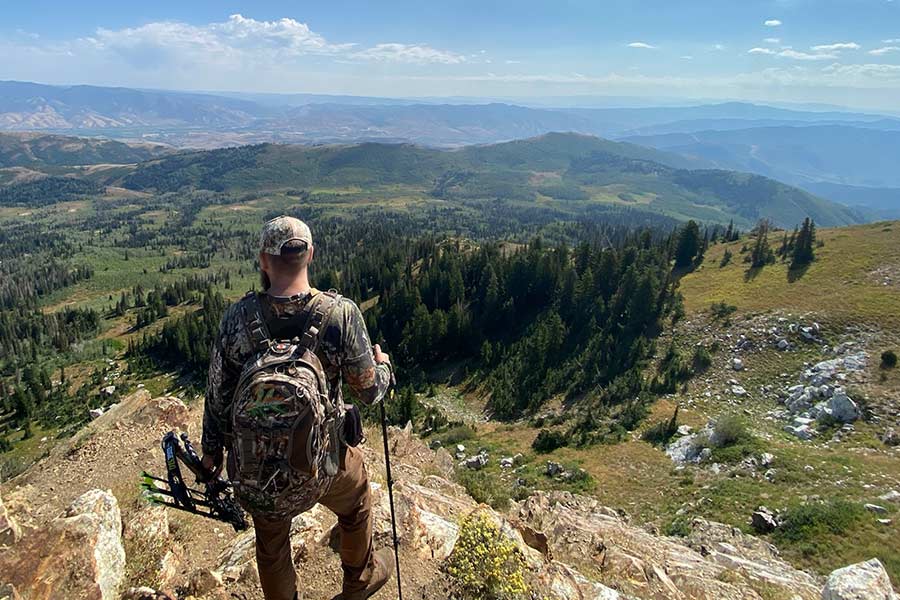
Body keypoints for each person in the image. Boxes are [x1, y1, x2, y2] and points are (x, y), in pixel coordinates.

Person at [201, 215, 395, 600]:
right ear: (311, 256)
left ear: (263, 261)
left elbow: (218, 397)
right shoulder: (341, 314)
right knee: (357, 498)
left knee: (271, 545)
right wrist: (385, 365)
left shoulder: (237, 319)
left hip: (257, 474)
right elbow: (370, 393)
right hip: (321, 469)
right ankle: (359, 581)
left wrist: (211, 455)